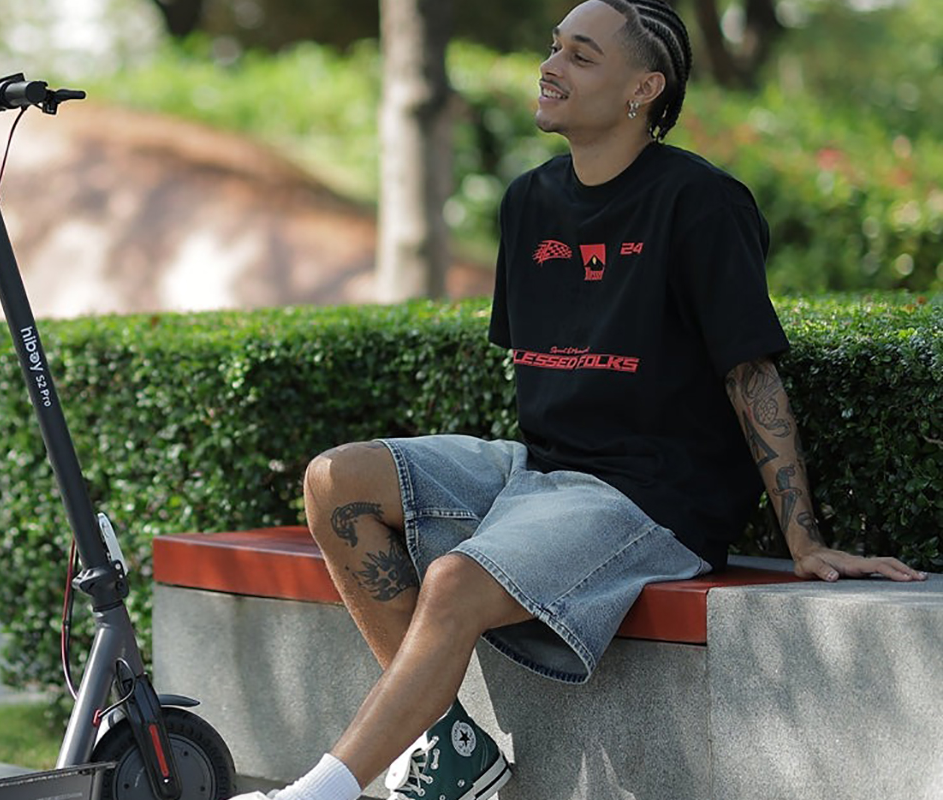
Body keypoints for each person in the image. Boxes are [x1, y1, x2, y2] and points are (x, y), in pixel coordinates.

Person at [231, 2, 928, 800]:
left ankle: (321, 792)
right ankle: (449, 744)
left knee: (457, 581)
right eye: (554, 46)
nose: (551, 65)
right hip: (544, 472)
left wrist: (804, 541)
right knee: (335, 481)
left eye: (582, 56)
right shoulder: (529, 202)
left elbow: (752, 376)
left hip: (652, 500)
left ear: (643, 89)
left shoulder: (702, 203)